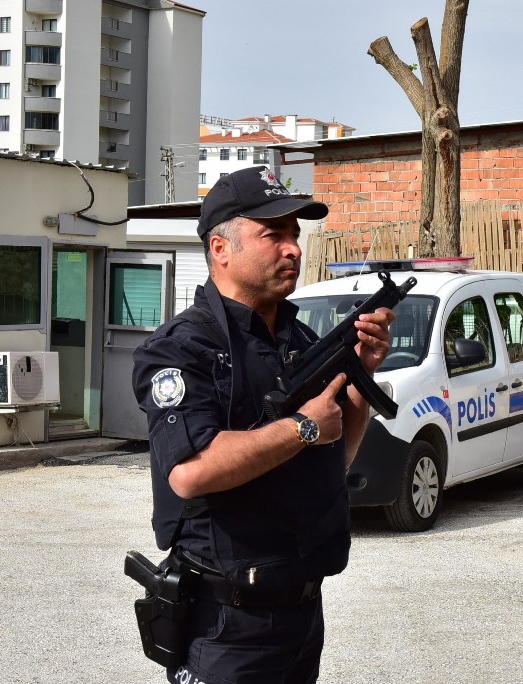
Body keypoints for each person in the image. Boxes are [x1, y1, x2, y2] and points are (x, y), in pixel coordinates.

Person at [132, 165, 394, 683]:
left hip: (301, 612)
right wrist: (301, 427)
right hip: (227, 624)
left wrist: (361, 377)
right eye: (272, 234)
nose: (293, 248)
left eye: (295, 234)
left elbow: (331, 458)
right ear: (220, 249)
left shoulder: (298, 339)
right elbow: (190, 471)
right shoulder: (182, 348)